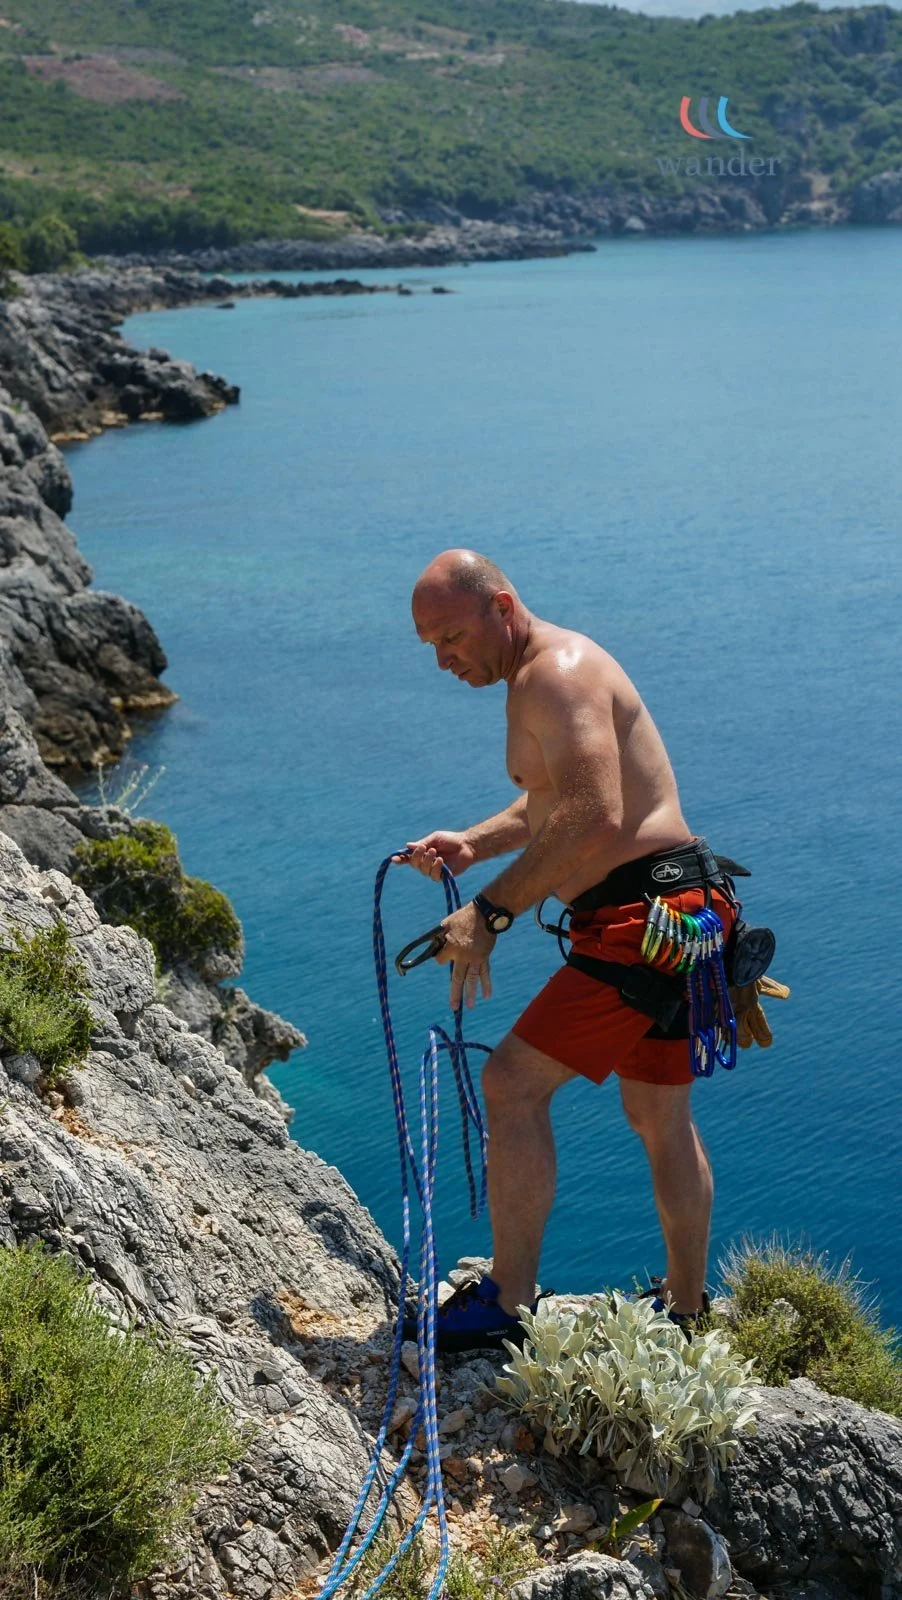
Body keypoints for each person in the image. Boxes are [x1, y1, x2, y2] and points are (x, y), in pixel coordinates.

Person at [397, 548, 738, 1352]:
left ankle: (509, 1301)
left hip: (642, 923)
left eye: (451, 636)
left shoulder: (558, 672)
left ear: (502, 608)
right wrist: (473, 845)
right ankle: (687, 1312)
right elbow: (551, 802)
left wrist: (489, 914)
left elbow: (594, 811)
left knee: (510, 1083)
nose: (444, 659)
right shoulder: (543, 675)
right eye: (430, 646)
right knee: (658, 1112)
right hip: (677, 910)